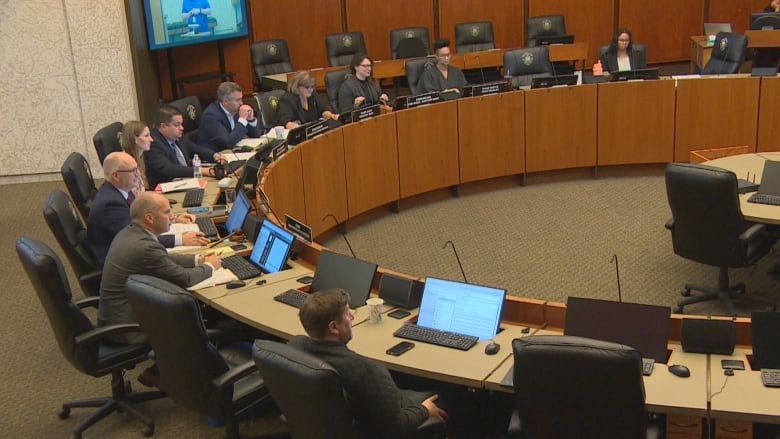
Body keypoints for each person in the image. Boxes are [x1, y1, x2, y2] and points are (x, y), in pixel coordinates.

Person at [288, 289, 448, 439]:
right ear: (334, 327)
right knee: (449, 397)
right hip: (371, 428)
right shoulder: (364, 370)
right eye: (347, 314)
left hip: (329, 423)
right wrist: (424, 409)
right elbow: (397, 428)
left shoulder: (294, 346)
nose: (352, 317)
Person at [98, 191, 220, 346]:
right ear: (149, 218)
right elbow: (186, 279)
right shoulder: (144, 247)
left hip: (120, 315)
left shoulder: (131, 232)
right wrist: (211, 266)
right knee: (194, 312)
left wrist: (198, 259)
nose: (173, 217)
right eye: (167, 212)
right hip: (128, 328)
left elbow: (163, 258)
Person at [87, 152, 209, 267]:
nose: (138, 174)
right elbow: (139, 238)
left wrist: (173, 218)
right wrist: (181, 239)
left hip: (132, 251)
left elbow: (141, 217)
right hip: (124, 265)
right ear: (116, 175)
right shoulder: (110, 204)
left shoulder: (121, 190)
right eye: (133, 171)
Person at [144, 105, 226, 189]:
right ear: (163, 126)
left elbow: (194, 148)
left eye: (181, 124)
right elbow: (169, 168)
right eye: (177, 125)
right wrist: (201, 170)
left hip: (188, 182)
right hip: (168, 190)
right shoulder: (153, 144)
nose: (182, 128)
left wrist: (214, 155)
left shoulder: (176, 136)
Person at [197, 82, 263, 152]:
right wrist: (243, 119)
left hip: (232, 151)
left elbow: (255, 135)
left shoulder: (235, 110)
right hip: (215, 156)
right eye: (238, 100)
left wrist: (250, 119)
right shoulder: (210, 116)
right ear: (225, 101)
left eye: (241, 99)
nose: (241, 103)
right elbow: (228, 143)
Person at [120, 120, 152, 195]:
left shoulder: (139, 157)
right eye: (146, 136)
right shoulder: (126, 165)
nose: (151, 139)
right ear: (135, 139)